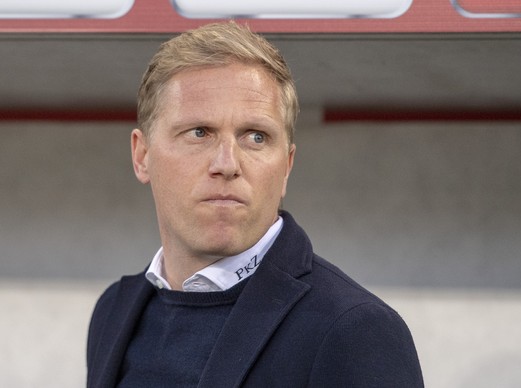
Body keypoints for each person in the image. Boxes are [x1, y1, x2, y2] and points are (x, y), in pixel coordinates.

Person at [87, 21, 424, 387]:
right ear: (142, 156)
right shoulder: (113, 310)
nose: (227, 164)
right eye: (199, 132)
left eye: (256, 137)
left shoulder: (354, 330)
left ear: (286, 167)